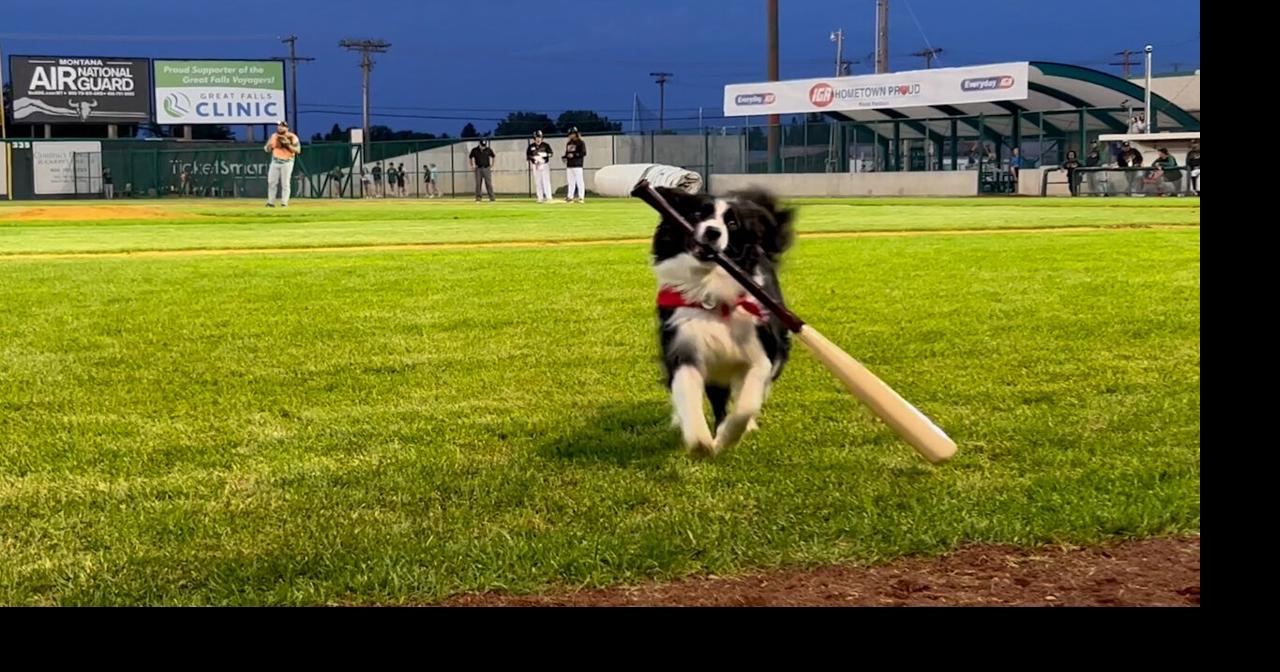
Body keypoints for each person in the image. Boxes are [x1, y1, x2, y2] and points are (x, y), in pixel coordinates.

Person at [263, 121, 301, 207]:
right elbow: (266, 148)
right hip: (275, 161)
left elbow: (298, 150)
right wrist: (268, 147)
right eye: (279, 126)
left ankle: (284, 203)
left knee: (285, 183)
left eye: (282, 126)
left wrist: (288, 145)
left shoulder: (292, 137)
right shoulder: (274, 136)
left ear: (287, 128)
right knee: (271, 182)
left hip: (287, 162)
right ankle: (270, 203)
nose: (280, 127)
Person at [527, 130, 554, 203]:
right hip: (536, 165)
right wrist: (534, 159)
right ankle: (540, 197)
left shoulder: (545, 145)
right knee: (538, 182)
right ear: (534, 138)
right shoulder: (531, 146)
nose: (538, 139)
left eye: (540, 137)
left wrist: (544, 155)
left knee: (546, 181)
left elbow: (551, 153)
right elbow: (528, 156)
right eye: (537, 137)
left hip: (544, 164)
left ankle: (549, 197)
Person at [562, 127, 587, 203]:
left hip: (577, 165)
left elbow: (583, 153)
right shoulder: (569, 143)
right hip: (569, 165)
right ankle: (570, 196)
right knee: (571, 182)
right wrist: (565, 157)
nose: (570, 136)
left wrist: (574, 155)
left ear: (575, 134)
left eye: (571, 134)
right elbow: (567, 153)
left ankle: (581, 197)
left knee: (579, 181)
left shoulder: (581, 142)